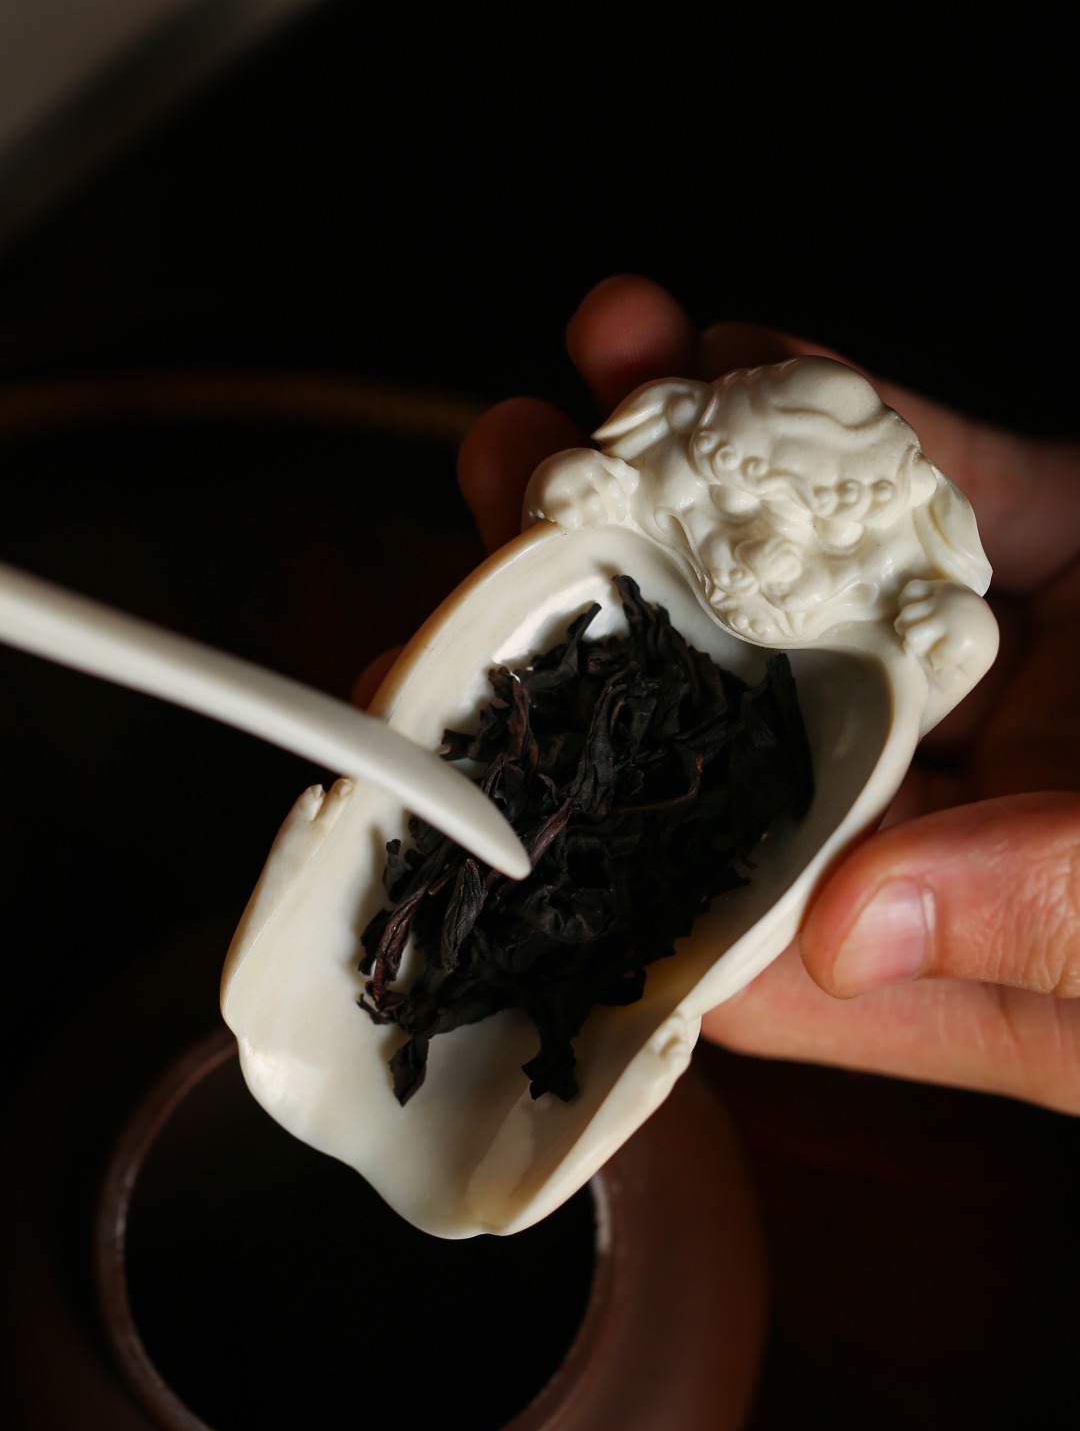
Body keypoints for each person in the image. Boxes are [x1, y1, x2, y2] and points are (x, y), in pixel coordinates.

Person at [362, 275, 1080, 1113]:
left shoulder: (906, 592)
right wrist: (578, 490)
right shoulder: (667, 464)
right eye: (736, 503)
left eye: (826, 538)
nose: (764, 556)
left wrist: (956, 644)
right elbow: (574, 495)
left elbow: (943, 669)